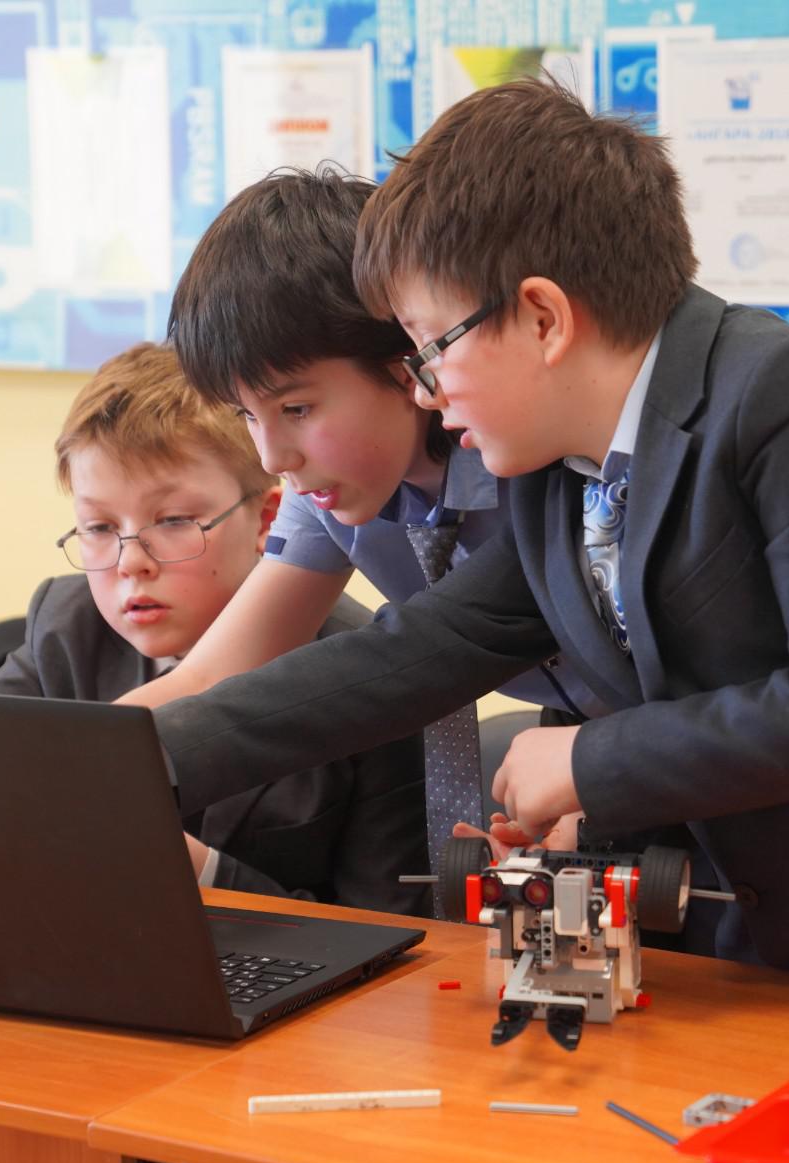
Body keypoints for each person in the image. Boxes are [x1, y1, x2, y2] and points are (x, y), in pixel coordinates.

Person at [148, 78, 789, 1021]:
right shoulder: (553, 469)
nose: (427, 387)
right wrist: (138, 761)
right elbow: (416, 653)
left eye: (433, 345)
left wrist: (590, 762)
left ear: (543, 318)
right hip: (788, 955)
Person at [120, 167, 705, 896]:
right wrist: (64, 763)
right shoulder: (323, 491)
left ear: (408, 363)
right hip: (583, 765)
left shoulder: (533, 455)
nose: (272, 458)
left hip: (687, 748)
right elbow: (213, 678)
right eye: (246, 416)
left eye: (296, 409)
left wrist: (602, 777)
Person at [0, 341, 428, 917]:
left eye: (173, 520)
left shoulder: (370, 676)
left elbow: (394, 930)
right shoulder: (65, 627)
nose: (131, 562)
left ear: (268, 520)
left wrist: (195, 870)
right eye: (98, 527)